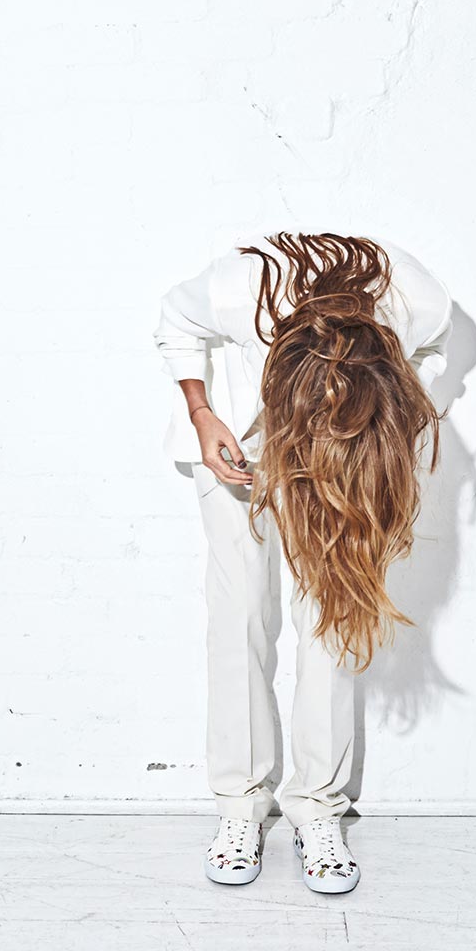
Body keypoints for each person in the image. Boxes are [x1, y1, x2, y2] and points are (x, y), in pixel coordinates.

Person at [154, 233, 451, 895]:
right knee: (239, 615)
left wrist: (384, 419)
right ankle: (240, 807)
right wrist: (202, 414)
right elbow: (174, 320)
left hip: (345, 449)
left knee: (331, 615)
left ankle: (317, 810)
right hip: (235, 446)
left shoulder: (418, 303)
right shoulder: (238, 291)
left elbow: (432, 357)